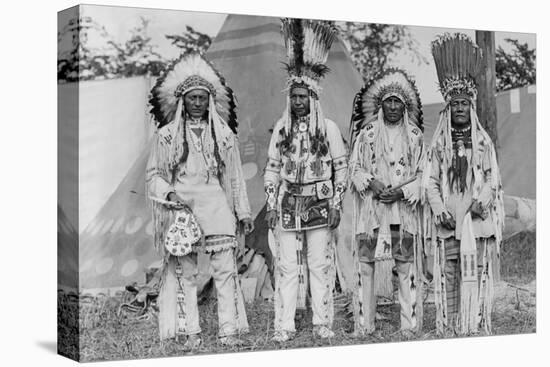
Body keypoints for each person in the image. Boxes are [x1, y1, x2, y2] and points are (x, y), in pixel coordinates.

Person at [147, 53, 254, 349]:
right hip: (184, 209)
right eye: (192, 98)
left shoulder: (224, 135)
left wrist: (242, 212)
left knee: (225, 270)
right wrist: (170, 193)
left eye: (202, 98)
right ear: (182, 101)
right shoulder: (166, 136)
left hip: (217, 206)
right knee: (185, 272)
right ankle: (189, 332)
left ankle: (229, 330)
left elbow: (234, 178)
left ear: (210, 101)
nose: (197, 103)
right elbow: (154, 173)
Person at [263, 19, 347, 342]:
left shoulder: (328, 129)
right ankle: (284, 326)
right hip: (288, 203)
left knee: (319, 265)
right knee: (286, 266)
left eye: (304, 97)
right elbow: (272, 169)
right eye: (295, 97)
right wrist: (271, 204)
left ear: (314, 97)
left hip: (320, 203)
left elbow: (340, 169)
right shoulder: (281, 129)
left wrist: (337, 204)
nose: (298, 102)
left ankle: (322, 323)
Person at [424, 33, 504, 335]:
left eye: (463, 103)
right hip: (449, 220)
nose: (458, 108)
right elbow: (430, 181)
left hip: (476, 221)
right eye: (454, 103)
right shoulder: (440, 144)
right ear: (448, 108)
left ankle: (476, 324)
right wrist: (438, 207)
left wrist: (479, 203)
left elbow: (491, 179)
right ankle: (453, 324)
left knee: (477, 272)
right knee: (448, 272)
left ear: (470, 107)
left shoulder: (482, 141)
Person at [348, 69, 425, 336]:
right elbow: (354, 168)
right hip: (372, 212)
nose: (393, 106)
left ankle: (409, 326)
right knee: (366, 266)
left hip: (401, 213)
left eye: (398, 102)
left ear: (405, 106)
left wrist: (402, 193)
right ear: (381, 104)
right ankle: (364, 325)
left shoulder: (415, 136)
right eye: (389, 101)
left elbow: (422, 175)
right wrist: (372, 182)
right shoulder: (367, 134)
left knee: (405, 267)